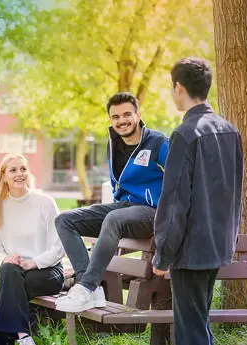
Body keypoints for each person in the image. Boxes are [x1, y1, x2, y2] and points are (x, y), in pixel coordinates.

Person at [152, 58, 243, 345]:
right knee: (198, 324)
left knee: (191, 330)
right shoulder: (231, 131)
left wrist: (163, 254)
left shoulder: (184, 134)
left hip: (190, 249)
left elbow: (175, 200)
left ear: (179, 87)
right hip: (218, 244)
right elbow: (236, 191)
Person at [55, 92, 169, 312]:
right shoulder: (113, 144)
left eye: (127, 114)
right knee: (64, 220)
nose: (121, 121)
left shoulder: (159, 143)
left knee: (114, 218)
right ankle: (89, 287)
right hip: (124, 209)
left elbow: (180, 184)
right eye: (115, 116)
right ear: (110, 119)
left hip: (154, 212)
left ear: (138, 115)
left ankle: (86, 287)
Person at [0, 154, 65, 345]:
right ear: (4, 176)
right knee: (8, 272)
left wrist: (33, 263)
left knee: (6, 286)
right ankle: (23, 338)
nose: (19, 174)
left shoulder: (45, 203)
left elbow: (59, 247)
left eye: (23, 169)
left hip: (48, 271)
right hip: (13, 272)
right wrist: (5, 259)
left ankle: (7, 339)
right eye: (13, 170)